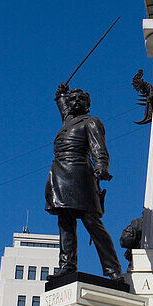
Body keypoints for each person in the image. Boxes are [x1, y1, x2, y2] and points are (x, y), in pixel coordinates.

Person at [45, 84, 123, 280]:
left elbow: (99, 149)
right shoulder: (68, 121)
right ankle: (67, 265)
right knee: (65, 222)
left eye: (81, 99)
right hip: (59, 174)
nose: (77, 101)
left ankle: (113, 269)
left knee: (91, 222)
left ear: (88, 104)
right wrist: (61, 94)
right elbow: (64, 108)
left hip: (80, 174)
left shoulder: (91, 122)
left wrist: (101, 168)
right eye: (73, 99)